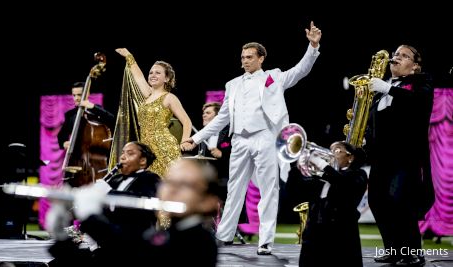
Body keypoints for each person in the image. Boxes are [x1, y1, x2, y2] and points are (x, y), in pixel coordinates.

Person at [182, 21, 322, 255]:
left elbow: (300, 70)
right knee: (235, 188)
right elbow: (221, 119)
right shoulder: (233, 84)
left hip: (266, 137)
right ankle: (224, 236)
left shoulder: (274, 77)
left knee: (269, 189)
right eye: (242, 57)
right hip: (239, 140)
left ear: (261, 58)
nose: (244, 60)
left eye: (249, 57)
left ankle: (265, 240)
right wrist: (196, 139)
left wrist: (313, 47)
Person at [366, 44, 435, 266]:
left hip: (406, 158)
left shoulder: (421, 83)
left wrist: (388, 89)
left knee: (400, 203)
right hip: (380, 159)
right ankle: (393, 250)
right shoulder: (381, 91)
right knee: (377, 202)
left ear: (414, 66)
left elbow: (416, 101)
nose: (396, 58)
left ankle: (413, 251)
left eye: (403, 56)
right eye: (395, 54)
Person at [47, 141, 161, 267]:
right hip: (108, 243)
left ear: (142, 161)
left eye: (130, 153)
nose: (122, 157)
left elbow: (143, 201)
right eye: (122, 153)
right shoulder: (115, 179)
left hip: (135, 243)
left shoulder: (151, 178)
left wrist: (109, 193)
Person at [115, 48, 193, 179]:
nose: (152, 75)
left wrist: (185, 140)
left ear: (167, 78)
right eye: (151, 72)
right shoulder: (148, 94)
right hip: (147, 149)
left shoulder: (169, 97)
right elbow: (139, 77)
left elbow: (186, 121)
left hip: (165, 148)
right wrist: (129, 57)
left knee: (167, 184)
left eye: (158, 73)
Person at [298, 141, 367, 267]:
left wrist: (322, 164)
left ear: (350, 157)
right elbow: (296, 189)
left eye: (336, 151)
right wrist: (303, 166)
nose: (331, 154)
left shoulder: (358, 174)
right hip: (315, 232)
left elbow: (343, 183)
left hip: (340, 236)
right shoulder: (322, 176)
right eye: (330, 151)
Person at [57, 82, 115, 150]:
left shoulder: (97, 110)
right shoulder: (70, 114)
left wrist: (93, 107)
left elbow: (112, 120)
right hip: (78, 155)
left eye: (79, 95)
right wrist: (64, 143)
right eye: (74, 95)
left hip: (96, 151)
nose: (76, 98)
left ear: (87, 93)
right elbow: (61, 135)